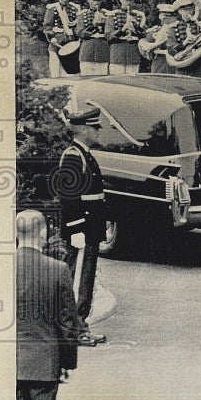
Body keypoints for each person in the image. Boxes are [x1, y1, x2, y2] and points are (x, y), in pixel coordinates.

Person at [16, 209, 83, 400]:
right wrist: (67, 363)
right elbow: (67, 322)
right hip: (44, 366)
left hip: (7, 364)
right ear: (43, 233)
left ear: (17, 233)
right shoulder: (58, 270)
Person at [52, 107, 109, 347]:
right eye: (95, 128)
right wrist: (75, 229)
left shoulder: (84, 154)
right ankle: (75, 330)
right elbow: (69, 195)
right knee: (78, 282)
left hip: (89, 230)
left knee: (84, 281)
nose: (98, 132)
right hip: (82, 231)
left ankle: (79, 326)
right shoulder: (74, 155)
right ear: (85, 129)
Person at [42, 0, 81, 77]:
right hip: (56, 45)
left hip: (71, 46)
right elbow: (47, 27)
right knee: (56, 73)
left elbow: (79, 26)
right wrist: (52, 38)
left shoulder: (75, 8)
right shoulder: (52, 8)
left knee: (73, 75)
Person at [106, 0, 146, 75]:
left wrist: (137, 27)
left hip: (133, 55)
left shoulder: (139, 16)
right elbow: (108, 36)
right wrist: (123, 29)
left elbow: (145, 36)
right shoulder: (112, 15)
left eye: (131, 0)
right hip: (117, 54)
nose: (128, 2)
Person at [75, 0, 110, 75]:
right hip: (87, 51)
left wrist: (105, 22)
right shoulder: (82, 15)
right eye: (93, 0)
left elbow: (110, 34)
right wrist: (93, 25)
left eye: (99, 0)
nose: (96, 2)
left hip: (103, 51)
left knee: (102, 80)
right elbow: (79, 33)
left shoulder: (108, 14)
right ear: (88, 1)